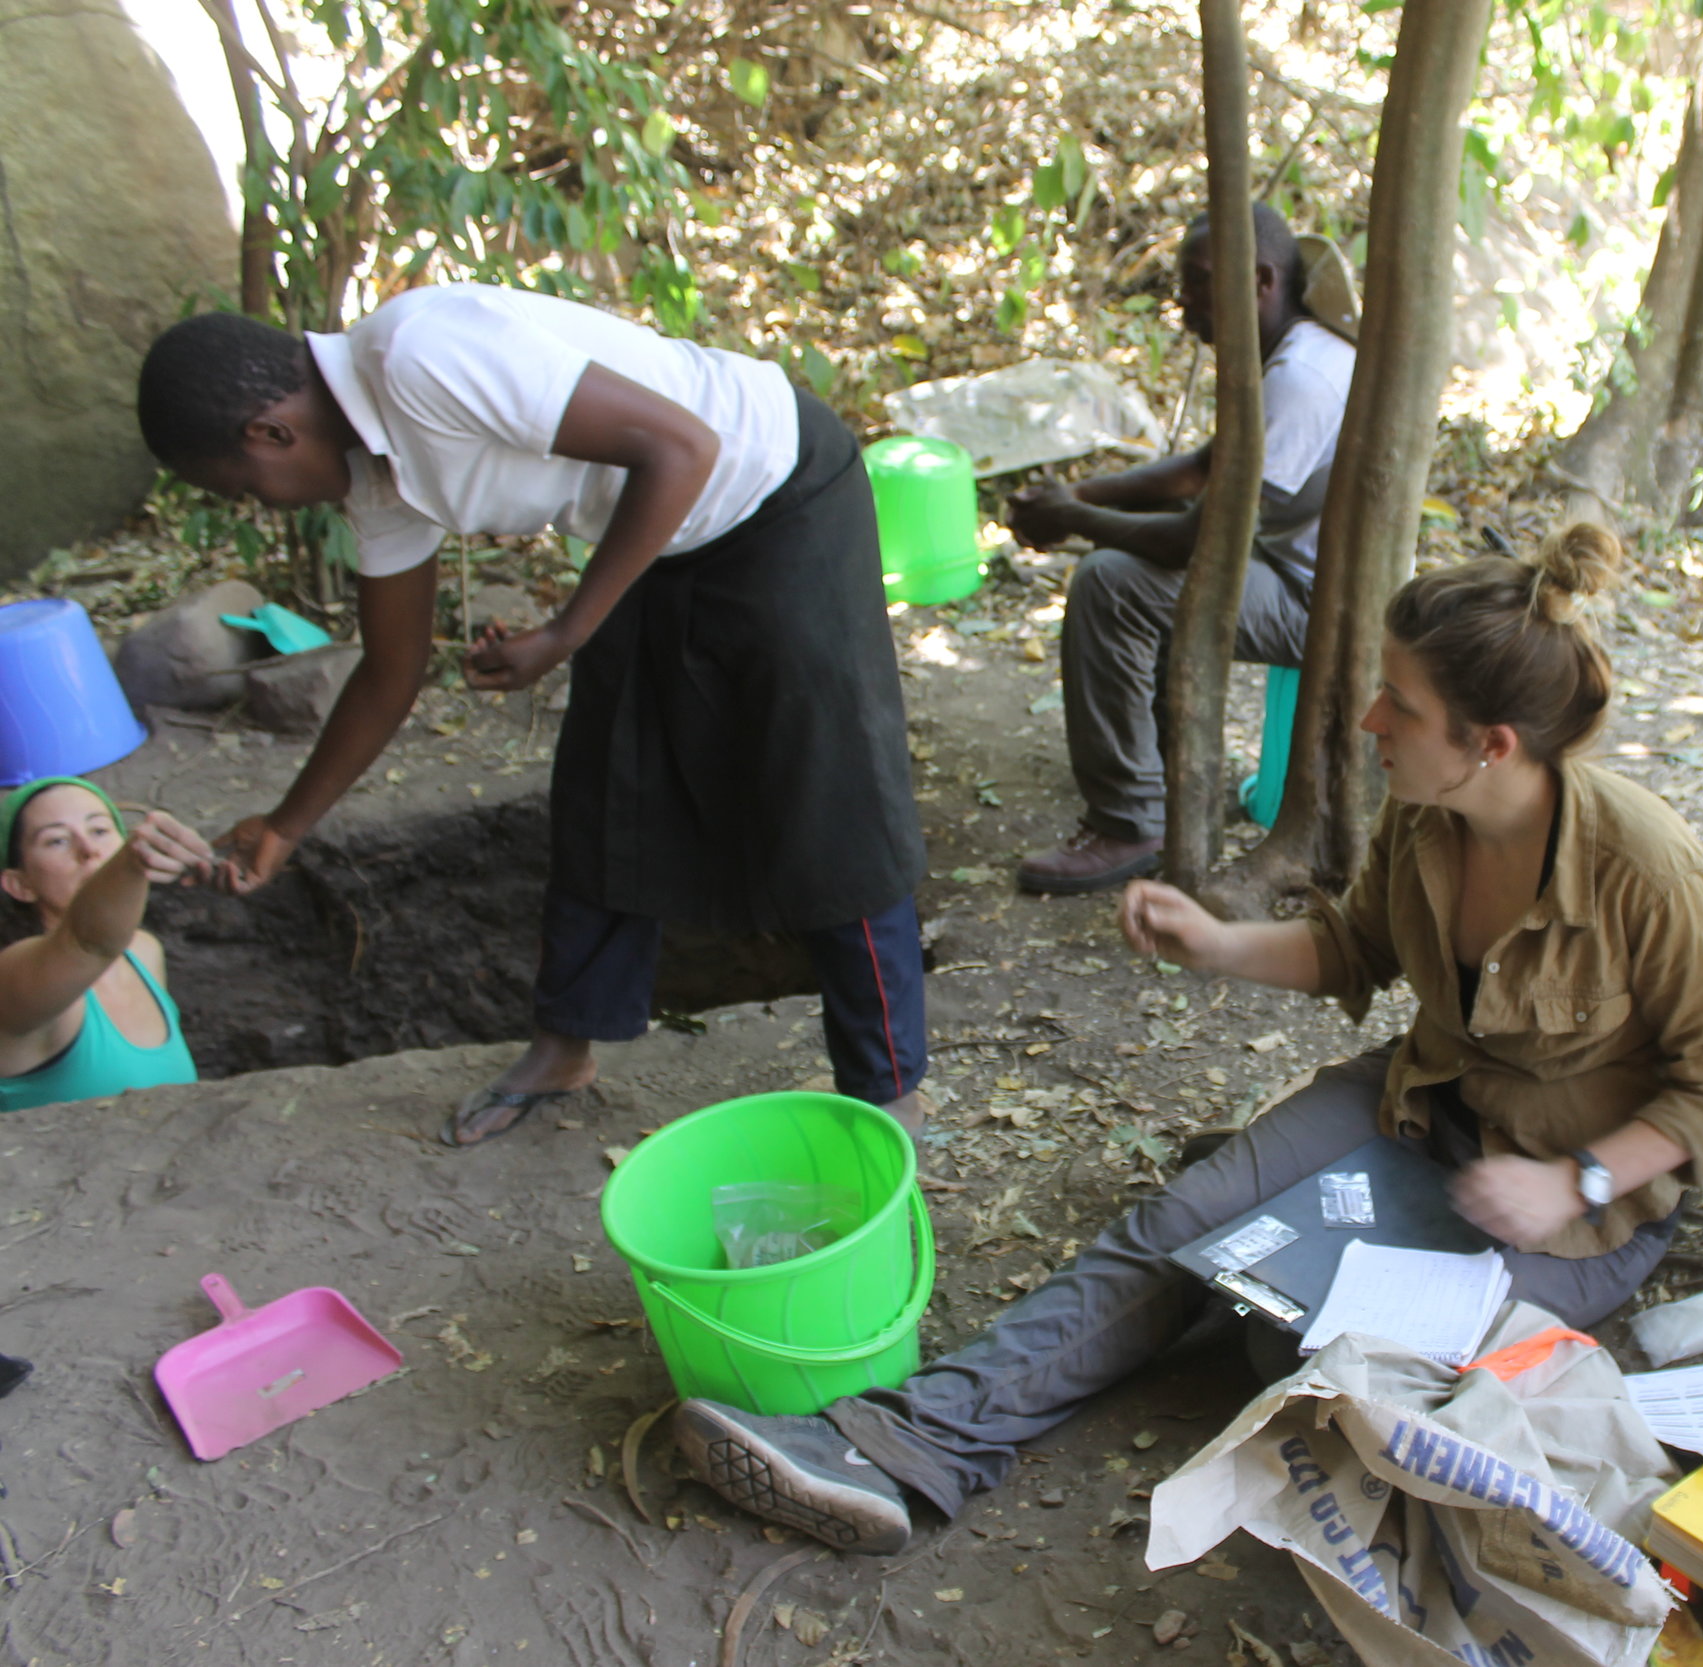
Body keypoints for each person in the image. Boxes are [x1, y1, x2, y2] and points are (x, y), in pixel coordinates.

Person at [672, 523, 1703, 1555]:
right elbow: (1350, 948)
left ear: (1487, 745)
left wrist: (1572, 1182)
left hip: (1579, 1210)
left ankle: (1256, 1302)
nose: (1368, 722)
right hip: (1424, 1103)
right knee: (1179, 1226)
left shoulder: (1645, 870)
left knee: (1311, 1353)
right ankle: (904, 1442)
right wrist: (1215, 941)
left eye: (1399, 703)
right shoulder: (1427, 812)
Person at [134, 288, 929, 1145]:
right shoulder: (374, 475)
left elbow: (682, 445)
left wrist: (564, 631)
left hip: (777, 490)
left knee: (824, 790)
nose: (264, 504)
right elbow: (392, 669)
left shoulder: (419, 357)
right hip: (662, 527)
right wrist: (286, 826)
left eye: (244, 486)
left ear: (270, 433)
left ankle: (887, 1093)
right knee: (607, 781)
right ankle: (565, 1046)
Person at [1008, 203, 1355, 894]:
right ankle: (1167, 783)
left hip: (1320, 600)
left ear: (1258, 280)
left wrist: (1073, 519)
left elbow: (1201, 538)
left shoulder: (1300, 379)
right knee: (1136, 555)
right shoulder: (1288, 351)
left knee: (1111, 582)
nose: (1181, 299)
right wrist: (1086, 493)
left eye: (1197, 281)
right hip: (1287, 569)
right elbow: (1206, 465)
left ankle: (1128, 819)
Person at [1, 777, 218, 1113]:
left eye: (100, 831)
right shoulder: (13, 978)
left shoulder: (145, 952)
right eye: (57, 841)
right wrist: (131, 863)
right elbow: (87, 942)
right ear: (20, 884)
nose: (89, 851)